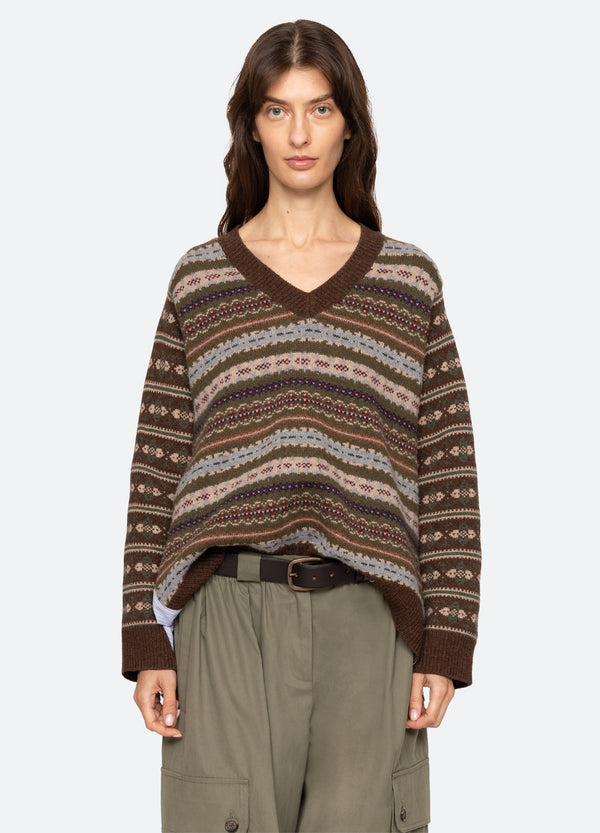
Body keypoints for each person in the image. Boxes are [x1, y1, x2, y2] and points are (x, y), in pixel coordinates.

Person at [122, 19, 481, 833]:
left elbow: (448, 471)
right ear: (251, 125)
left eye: (319, 109)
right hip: (225, 615)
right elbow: (157, 465)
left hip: (370, 619)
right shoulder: (201, 280)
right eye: (277, 110)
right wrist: (145, 636)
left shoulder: (407, 281)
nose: (299, 134)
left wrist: (448, 639)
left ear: (349, 123)